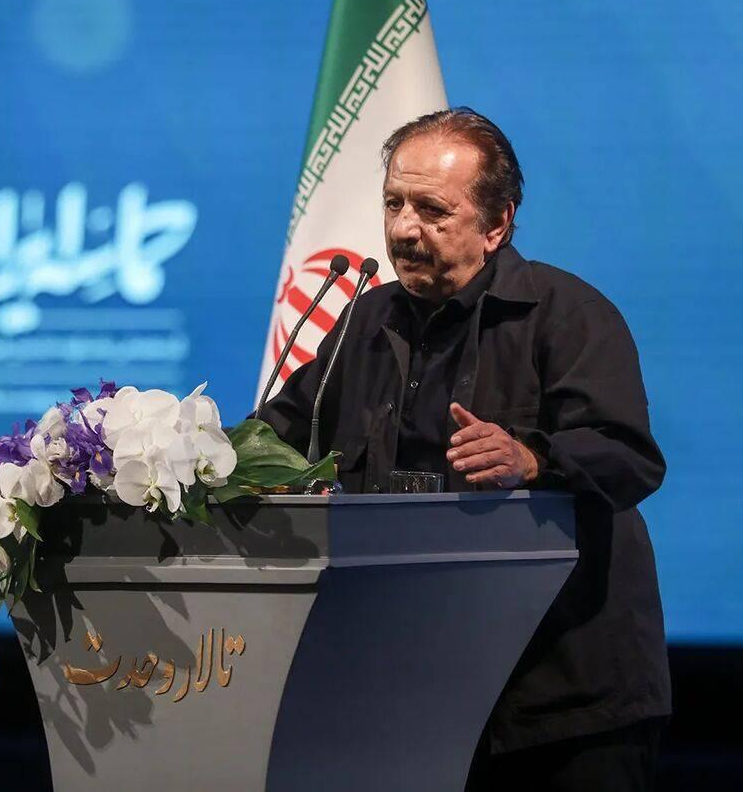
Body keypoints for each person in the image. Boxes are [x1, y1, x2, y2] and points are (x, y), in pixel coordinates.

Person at [257, 107, 671, 790]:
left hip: (558, 703)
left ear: (497, 223)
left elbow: (629, 457)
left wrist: (533, 460)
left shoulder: (567, 314)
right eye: (394, 203)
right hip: (407, 697)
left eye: (431, 210)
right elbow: (275, 438)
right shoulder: (363, 320)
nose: (403, 228)